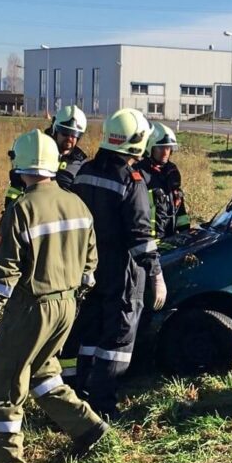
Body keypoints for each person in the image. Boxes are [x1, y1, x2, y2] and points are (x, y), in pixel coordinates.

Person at [0, 130, 107, 463]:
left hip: (32, 308)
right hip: (67, 306)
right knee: (44, 374)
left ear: (21, 166)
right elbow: (90, 266)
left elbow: (5, 273)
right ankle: (90, 429)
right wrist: (72, 295)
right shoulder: (77, 204)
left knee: (4, 388)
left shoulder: (22, 209)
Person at [70, 108, 166, 417]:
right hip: (123, 273)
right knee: (117, 340)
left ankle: (79, 397)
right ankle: (104, 407)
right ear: (137, 141)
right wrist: (156, 274)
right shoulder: (131, 180)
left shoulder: (84, 171)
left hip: (88, 267)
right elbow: (140, 235)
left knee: (89, 334)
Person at [5, 104, 88, 209]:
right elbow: (15, 188)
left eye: (74, 135)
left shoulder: (81, 164)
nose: (69, 138)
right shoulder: (36, 150)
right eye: (65, 133)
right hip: (32, 211)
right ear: (55, 130)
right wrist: (10, 209)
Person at [137, 122, 191, 241]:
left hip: (170, 238)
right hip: (147, 241)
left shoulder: (172, 171)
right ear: (150, 147)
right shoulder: (139, 172)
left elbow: (180, 207)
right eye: (161, 147)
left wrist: (185, 232)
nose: (165, 152)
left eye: (168, 148)